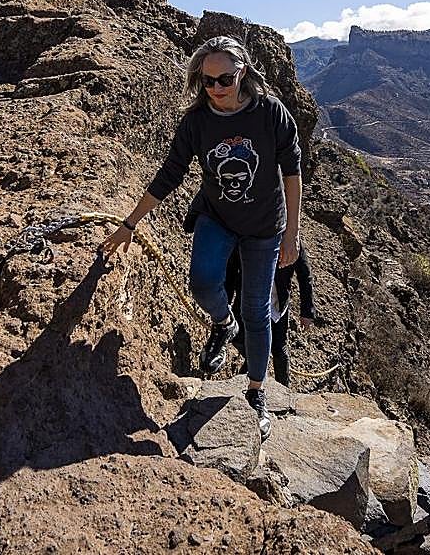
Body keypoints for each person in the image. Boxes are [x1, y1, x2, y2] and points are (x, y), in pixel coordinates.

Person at [100, 35, 302, 440]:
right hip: (217, 216)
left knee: (257, 312)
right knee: (204, 282)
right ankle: (221, 324)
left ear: (242, 72)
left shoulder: (270, 113)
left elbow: (293, 173)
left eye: (224, 79)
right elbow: (170, 173)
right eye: (207, 81)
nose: (216, 89)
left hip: (265, 227)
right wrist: (130, 222)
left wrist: (292, 236)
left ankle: (256, 392)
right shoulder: (197, 122)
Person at [222, 244, 315, 387]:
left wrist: (307, 313)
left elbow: (305, 276)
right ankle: (255, 368)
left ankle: (283, 390)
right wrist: (225, 303)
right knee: (238, 338)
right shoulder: (247, 234)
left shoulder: (292, 242)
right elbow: (231, 271)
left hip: (277, 304)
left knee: (279, 349)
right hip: (247, 300)